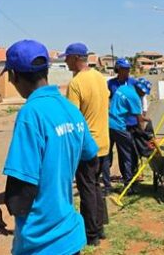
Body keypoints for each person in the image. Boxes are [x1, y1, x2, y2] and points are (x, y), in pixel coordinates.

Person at [0, 39, 98, 255]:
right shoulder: (70, 109)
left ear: (13, 75)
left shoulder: (31, 114)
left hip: (42, 243)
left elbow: (20, 196)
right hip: (70, 236)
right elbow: (90, 158)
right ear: (46, 71)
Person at [62, 42, 110, 246]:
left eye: (67, 58)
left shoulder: (76, 83)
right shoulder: (100, 77)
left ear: (75, 58)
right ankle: (99, 228)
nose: (65, 62)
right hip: (104, 142)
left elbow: (73, 118)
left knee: (87, 189)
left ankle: (91, 235)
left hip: (87, 146)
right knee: (96, 186)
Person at [102, 58, 136, 192]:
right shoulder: (111, 84)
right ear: (118, 69)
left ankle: (128, 183)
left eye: (128, 69)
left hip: (128, 124)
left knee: (126, 155)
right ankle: (107, 185)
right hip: (112, 124)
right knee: (106, 154)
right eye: (124, 69)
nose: (127, 72)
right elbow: (104, 99)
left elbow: (140, 99)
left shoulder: (132, 83)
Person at [108, 75, 144, 194]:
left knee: (110, 155)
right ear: (140, 90)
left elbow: (123, 108)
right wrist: (144, 134)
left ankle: (106, 184)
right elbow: (139, 119)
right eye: (143, 93)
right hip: (119, 126)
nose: (143, 95)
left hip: (109, 123)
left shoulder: (123, 88)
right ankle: (129, 185)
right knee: (128, 155)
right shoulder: (135, 98)